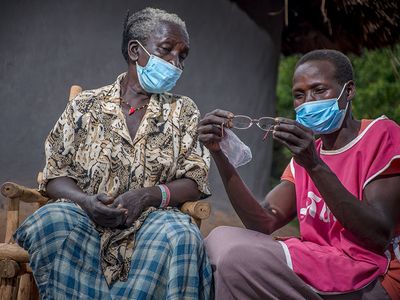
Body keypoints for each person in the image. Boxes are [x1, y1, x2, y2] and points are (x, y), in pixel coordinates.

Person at [14, 7, 213, 299]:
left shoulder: (183, 110)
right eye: (167, 50)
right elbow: (56, 175)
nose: (176, 63)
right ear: (136, 50)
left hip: (151, 222)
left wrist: (146, 196)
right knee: (53, 222)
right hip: (85, 218)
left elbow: (195, 179)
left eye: (182, 56)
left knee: (180, 234)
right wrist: (86, 201)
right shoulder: (85, 105)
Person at [198, 49, 400, 299]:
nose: (308, 102)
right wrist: (220, 155)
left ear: (348, 92)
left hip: (372, 274)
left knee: (235, 256)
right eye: (299, 95)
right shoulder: (305, 157)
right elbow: (262, 221)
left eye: (319, 90)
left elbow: (377, 236)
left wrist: (315, 165)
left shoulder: (381, 135)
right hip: (319, 262)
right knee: (218, 239)